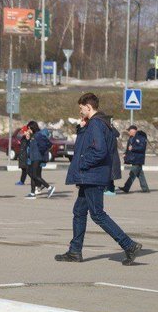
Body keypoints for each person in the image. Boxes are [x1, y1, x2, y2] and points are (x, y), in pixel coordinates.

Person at [55, 92, 143, 265]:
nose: (80, 112)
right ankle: (75, 251)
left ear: (89, 107)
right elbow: (87, 145)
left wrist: (82, 163)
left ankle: (129, 245)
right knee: (79, 211)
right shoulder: (97, 123)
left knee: (97, 214)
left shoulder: (96, 124)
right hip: (91, 176)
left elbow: (99, 151)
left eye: (81, 109)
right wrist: (81, 129)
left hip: (92, 176)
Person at [24, 121, 55, 199]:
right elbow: (30, 146)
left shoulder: (38, 135)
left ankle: (49, 187)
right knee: (32, 174)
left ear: (33, 128)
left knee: (34, 175)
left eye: (29, 128)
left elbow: (48, 144)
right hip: (33, 157)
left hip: (37, 157)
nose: (28, 130)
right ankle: (32, 193)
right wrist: (28, 139)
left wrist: (42, 152)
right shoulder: (33, 135)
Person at [120, 125, 150, 193]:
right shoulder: (131, 138)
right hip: (134, 159)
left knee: (132, 173)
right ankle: (145, 189)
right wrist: (126, 154)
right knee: (140, 175)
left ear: (134, 130)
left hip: (138, 159)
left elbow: (142, 148)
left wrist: (133, 148)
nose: (128, 132)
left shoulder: (141, 137)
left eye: (129, 131)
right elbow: (128, 148)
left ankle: (126, 188)